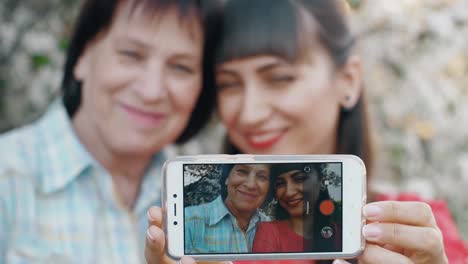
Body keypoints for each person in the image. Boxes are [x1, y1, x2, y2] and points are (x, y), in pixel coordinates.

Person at [146, 0, 468, 263]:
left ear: (348, 80)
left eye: (279, 77)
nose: (249, 112)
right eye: (228, 84)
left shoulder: (413, 236)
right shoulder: (221, 241)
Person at [0, 0, 217, 263]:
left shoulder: (207, 198)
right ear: (82, 55)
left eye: (181, 67)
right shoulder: (8, 177)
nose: (152, 91)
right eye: (131, 54)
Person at [252, 163, 340, 254]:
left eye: (299, 179)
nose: (289, 193)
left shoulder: (341, 233)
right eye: (280, 183)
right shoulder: (269, 232)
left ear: (322, 182)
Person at [185, 164, 273, 253]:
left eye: (262, 177)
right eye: (242, 172)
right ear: (227, 178)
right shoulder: (188, 220)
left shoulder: (272, 228)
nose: (251, 185)